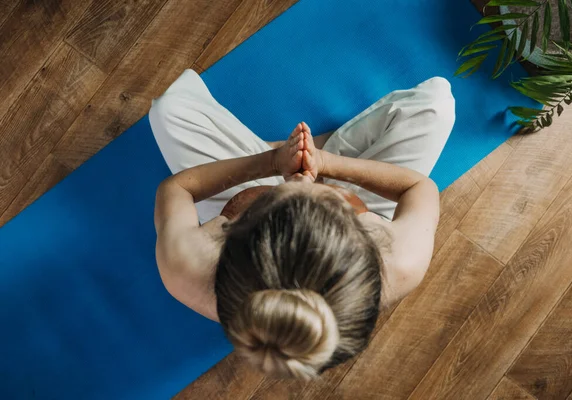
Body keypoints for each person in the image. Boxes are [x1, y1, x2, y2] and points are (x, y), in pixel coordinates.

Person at [150, 69, 455, 379]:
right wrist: (325, 164)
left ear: (230, 227)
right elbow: (418, 187)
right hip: (361, 194)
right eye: (316, 189)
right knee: (436, 104)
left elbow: (178, 189)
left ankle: (280, 149)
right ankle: (315, 148)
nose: (304, 180)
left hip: (248, 186)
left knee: (170, 109)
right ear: (363, 232)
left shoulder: (190, 268)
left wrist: (270, 163)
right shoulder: (397, 262)